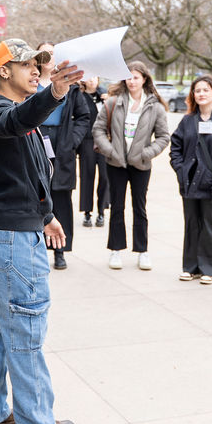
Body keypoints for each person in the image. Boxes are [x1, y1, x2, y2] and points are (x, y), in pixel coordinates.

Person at [0, 38, 81, 424]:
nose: (37, 71)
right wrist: (55, 91)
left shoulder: (11, 110)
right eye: (28, 66)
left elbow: (28, 168)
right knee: (25, 335)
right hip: (11, 239)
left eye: (40, 65)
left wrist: (47, 215)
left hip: (3, 228)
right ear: (2, 72)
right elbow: (12, 122)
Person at [93, 60, 170, 270]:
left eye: (136, 77)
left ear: (144, 79)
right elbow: (98, 129)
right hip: (115, 163)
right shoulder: (113, 102)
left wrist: (146, 153)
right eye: (128, 77)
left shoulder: (155, 107)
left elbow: (163, 137)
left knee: (140, 208)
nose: (132, 81)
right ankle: (116, 250)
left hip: (141, 165)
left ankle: (142, 251)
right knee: (117, 207)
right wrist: (110, 151)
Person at [169, 76, 212, 285]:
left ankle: (208, 268)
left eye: (205, 90)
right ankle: (190, 267)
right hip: (189, 183)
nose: (201, 94)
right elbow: (175, 147)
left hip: (210, 184)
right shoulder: (188, 120)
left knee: (209, 224)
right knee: (191, 224)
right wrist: (181, 169)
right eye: (197, 90)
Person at [35, 41, 91, 270]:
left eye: (53, 54)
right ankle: (37, 250)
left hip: (62, 142)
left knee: (61, 198)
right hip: (36, 139)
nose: (49, 57)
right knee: (36, 195)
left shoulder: (72, 87)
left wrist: (71, 142)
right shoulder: (30, 83)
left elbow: (84, 117)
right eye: (45, 53)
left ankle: (60, 251)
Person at [77, 75, 110, 227]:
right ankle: (87, 213)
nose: (91, 80)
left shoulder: (104, 96)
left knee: (104, 177)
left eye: (94, 77)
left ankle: (102, 211)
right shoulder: (80, 96)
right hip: (87, 141)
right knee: (87, 176)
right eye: (88, 77)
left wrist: (108, 100)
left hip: (104, 141)